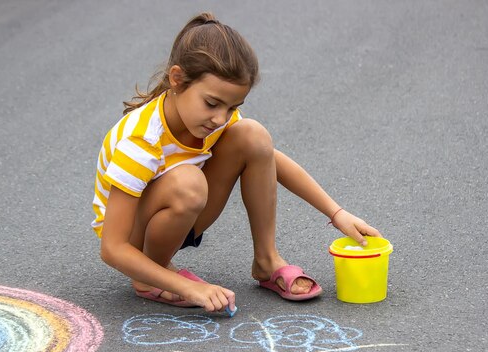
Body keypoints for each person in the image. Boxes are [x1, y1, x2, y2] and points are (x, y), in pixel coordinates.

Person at [92, 12, 381, 314]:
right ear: (177, 80)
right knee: (187, 182)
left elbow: (269, 157)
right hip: (131, 240)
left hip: (179, 215)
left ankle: (267, 260)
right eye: (212, 103)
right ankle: (150, 277)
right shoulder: (141, 141)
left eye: (232, 107)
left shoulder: (212, 119)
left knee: (253, 136)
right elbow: (113, 248)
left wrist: (336, 213)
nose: (220, 118)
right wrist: (191, 287)